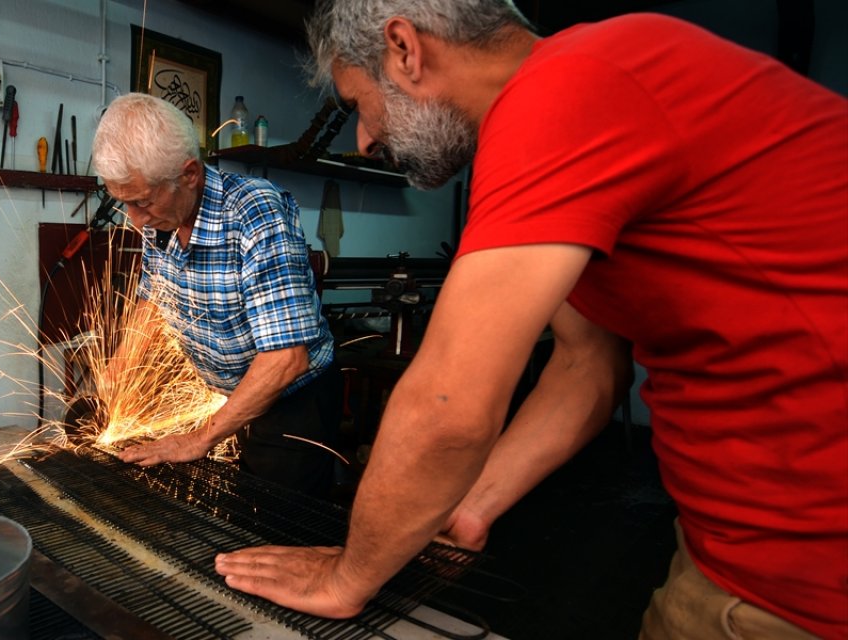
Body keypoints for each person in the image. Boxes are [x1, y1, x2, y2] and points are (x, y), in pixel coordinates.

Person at [213, 2, 848, 639]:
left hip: (804, 564)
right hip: (732, 542)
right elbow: (585, 364)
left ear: (405, 49)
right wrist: (468, 507)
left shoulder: (564, 91)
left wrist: (347, 578)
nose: (365, 139)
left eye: (358, 103)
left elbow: (448, 404)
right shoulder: (581, 94)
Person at [92, 92, 342, 498]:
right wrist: (119, 368)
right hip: (233, 396)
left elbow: (285, 359)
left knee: (273, 530)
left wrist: (198, 439)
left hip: (294, 404)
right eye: (124, 204)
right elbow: (155, 299)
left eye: (141, 203)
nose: (135, 220)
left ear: (189, 174)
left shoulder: (256, 214)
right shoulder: (160, 215)